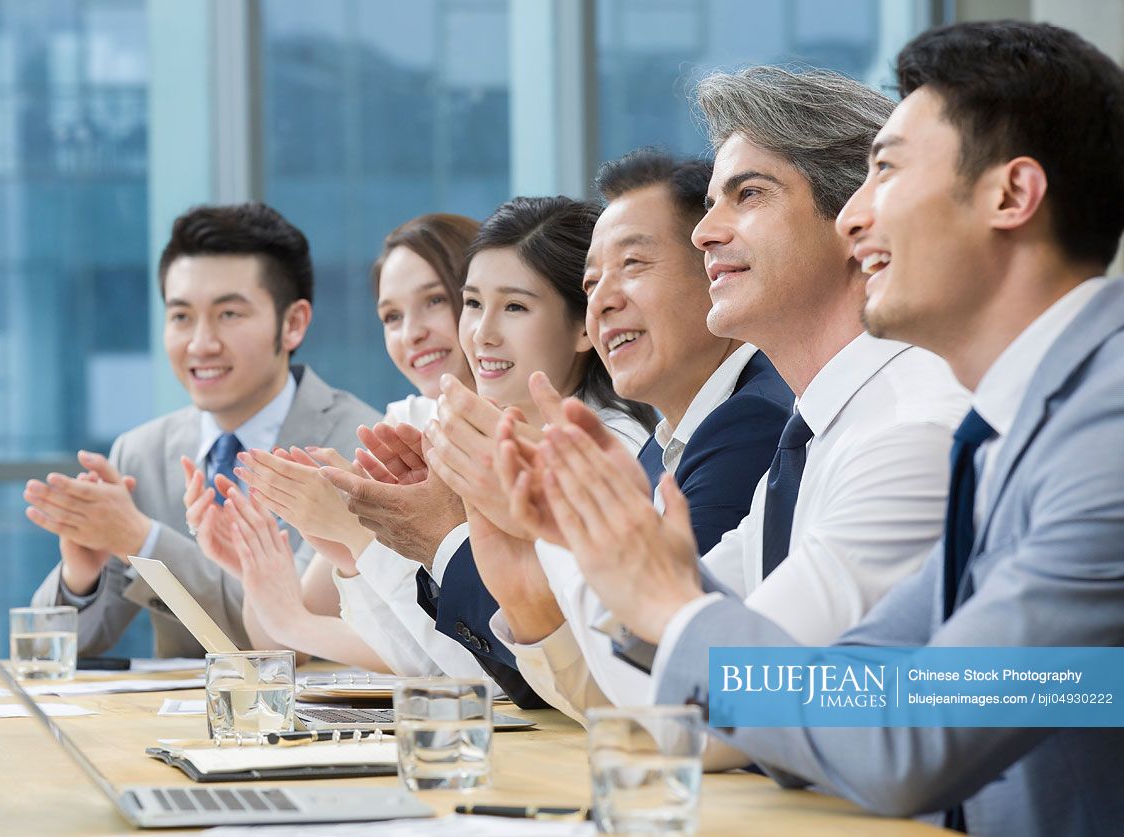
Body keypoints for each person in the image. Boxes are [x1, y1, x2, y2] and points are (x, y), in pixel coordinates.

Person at [532, 22, 1124, 837]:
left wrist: (668, 600)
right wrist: (638, 571)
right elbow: (858, 685)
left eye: (883, 170)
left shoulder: (1107, 429)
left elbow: (913, 735)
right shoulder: (1013, 423)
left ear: (1010, 195)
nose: (854, 217)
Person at [500, 65, 969, 723]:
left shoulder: (906, 431)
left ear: (856, 223)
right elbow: (666, 689)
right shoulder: (810, 435)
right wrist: (571, 529)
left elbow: (722, 708)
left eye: (748, 194)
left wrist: (575, 523)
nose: (703, 232)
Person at [421, 151, 792, 717]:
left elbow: (675, 683)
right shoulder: (670, 437)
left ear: (717, 269)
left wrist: (541, 530)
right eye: (592, 281)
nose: (604, 299)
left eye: (634, 265)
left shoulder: (750, 424)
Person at [318, 196, 655, 703]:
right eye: (473, 304)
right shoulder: (483, 440)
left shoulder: (616, 452)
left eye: (515, 307)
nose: (482, 334)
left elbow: (517, 683)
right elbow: (441, 669)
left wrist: (420, 538)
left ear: (583, 326)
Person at [26, 203, 380, 657]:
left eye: (229, 314)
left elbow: (296, 640)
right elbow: (46, 654)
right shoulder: (141, 453)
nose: (200, 343)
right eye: (181, 317)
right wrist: (81, 575)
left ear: (292, 324)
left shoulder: (358, 444)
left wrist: (143, 540)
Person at [186, 213, 486, 674]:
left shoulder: (482, 438)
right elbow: (289, 636)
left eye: (434, 301)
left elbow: (470, 656)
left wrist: (350, 535)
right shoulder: (405, 422)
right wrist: (254, 565)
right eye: (391, 316)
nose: (411, 333)